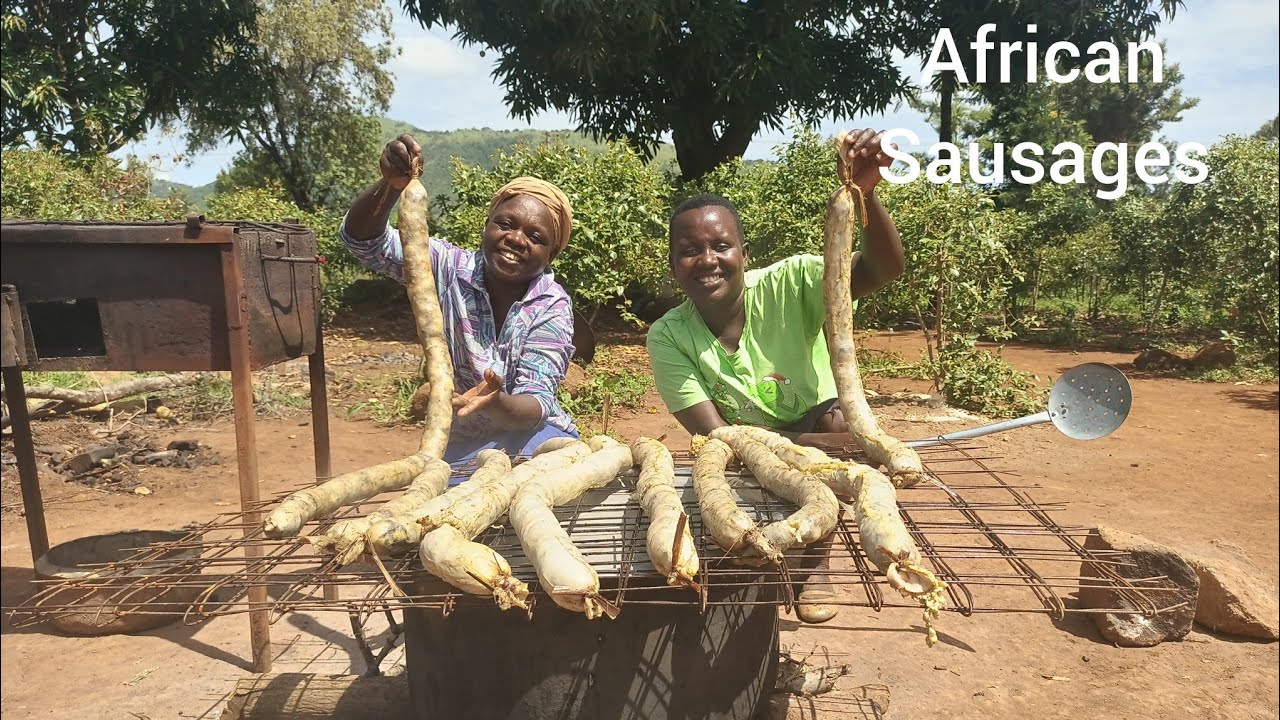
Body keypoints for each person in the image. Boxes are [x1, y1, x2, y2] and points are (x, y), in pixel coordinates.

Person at [646, 129, 905, 624]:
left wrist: (864, 195)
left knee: (837, 428)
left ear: (744, 254)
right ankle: (760, 544)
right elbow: (714, 432)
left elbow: (881, 269)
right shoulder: (668, 336)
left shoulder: (793, 281)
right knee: (738, 468)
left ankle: (816, 562)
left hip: (817, 420)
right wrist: (803, 448)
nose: (707, 260)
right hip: (741, 440)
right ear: (674, 264)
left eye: (721, 246)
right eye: (690, 250)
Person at [341, 134, 579, 468]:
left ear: (551, 254)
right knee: (444, 494)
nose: (515, 239)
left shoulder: (552, 305)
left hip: (534, 438)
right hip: (464, 443)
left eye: (535, 236)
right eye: (505, 224)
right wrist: (389, 187)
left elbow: (536, 402)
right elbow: (364, 243)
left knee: (542, 481)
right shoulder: (448, 267)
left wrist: (496, 402)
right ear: (486, 226)